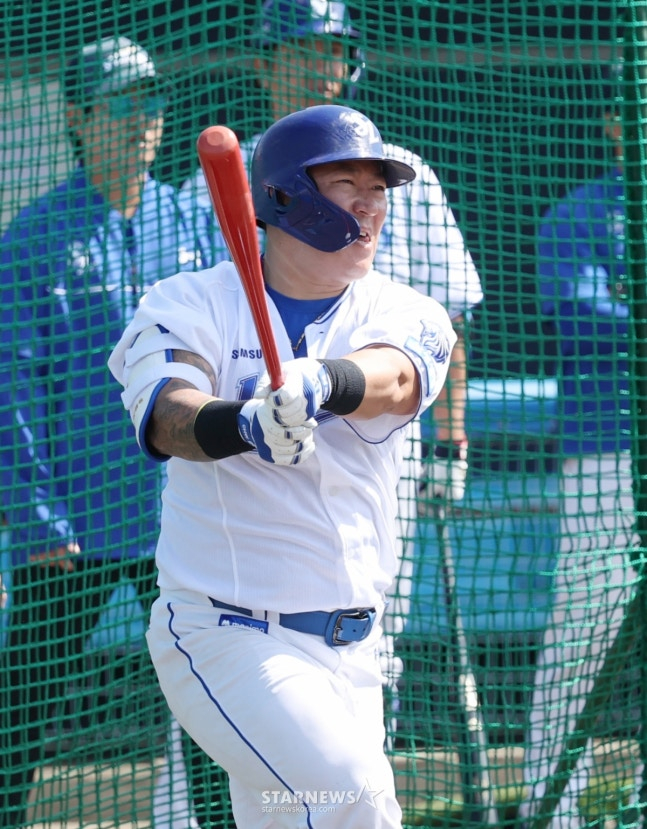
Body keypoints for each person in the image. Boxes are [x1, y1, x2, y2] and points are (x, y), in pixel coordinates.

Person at [108, 103, 456, 829]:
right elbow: (170, 414)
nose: (369, 202)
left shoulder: (405, 307)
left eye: (378, 186)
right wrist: (246, 422)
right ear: (286, 195)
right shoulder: (187, 302)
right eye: (345, 182)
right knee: (354, 800)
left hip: (357, 649)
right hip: (229, 633)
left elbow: (395, 376)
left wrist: (321, 382)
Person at [0, 36, 226, 828]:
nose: (141, 119)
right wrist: (36, 520)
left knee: (210, 702)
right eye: (120, 103)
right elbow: (12, 391)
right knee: (23, 711)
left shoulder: (192, 224)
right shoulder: (32, 239)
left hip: (184, 516)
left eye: (152, 101)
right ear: (76, 116)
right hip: (73, 530)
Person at [516, 67, 643, 829]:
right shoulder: (580, 211)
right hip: (607, 457)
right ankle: (550, 808)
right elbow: (583, 316)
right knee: (582, 638)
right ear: (610, 124)